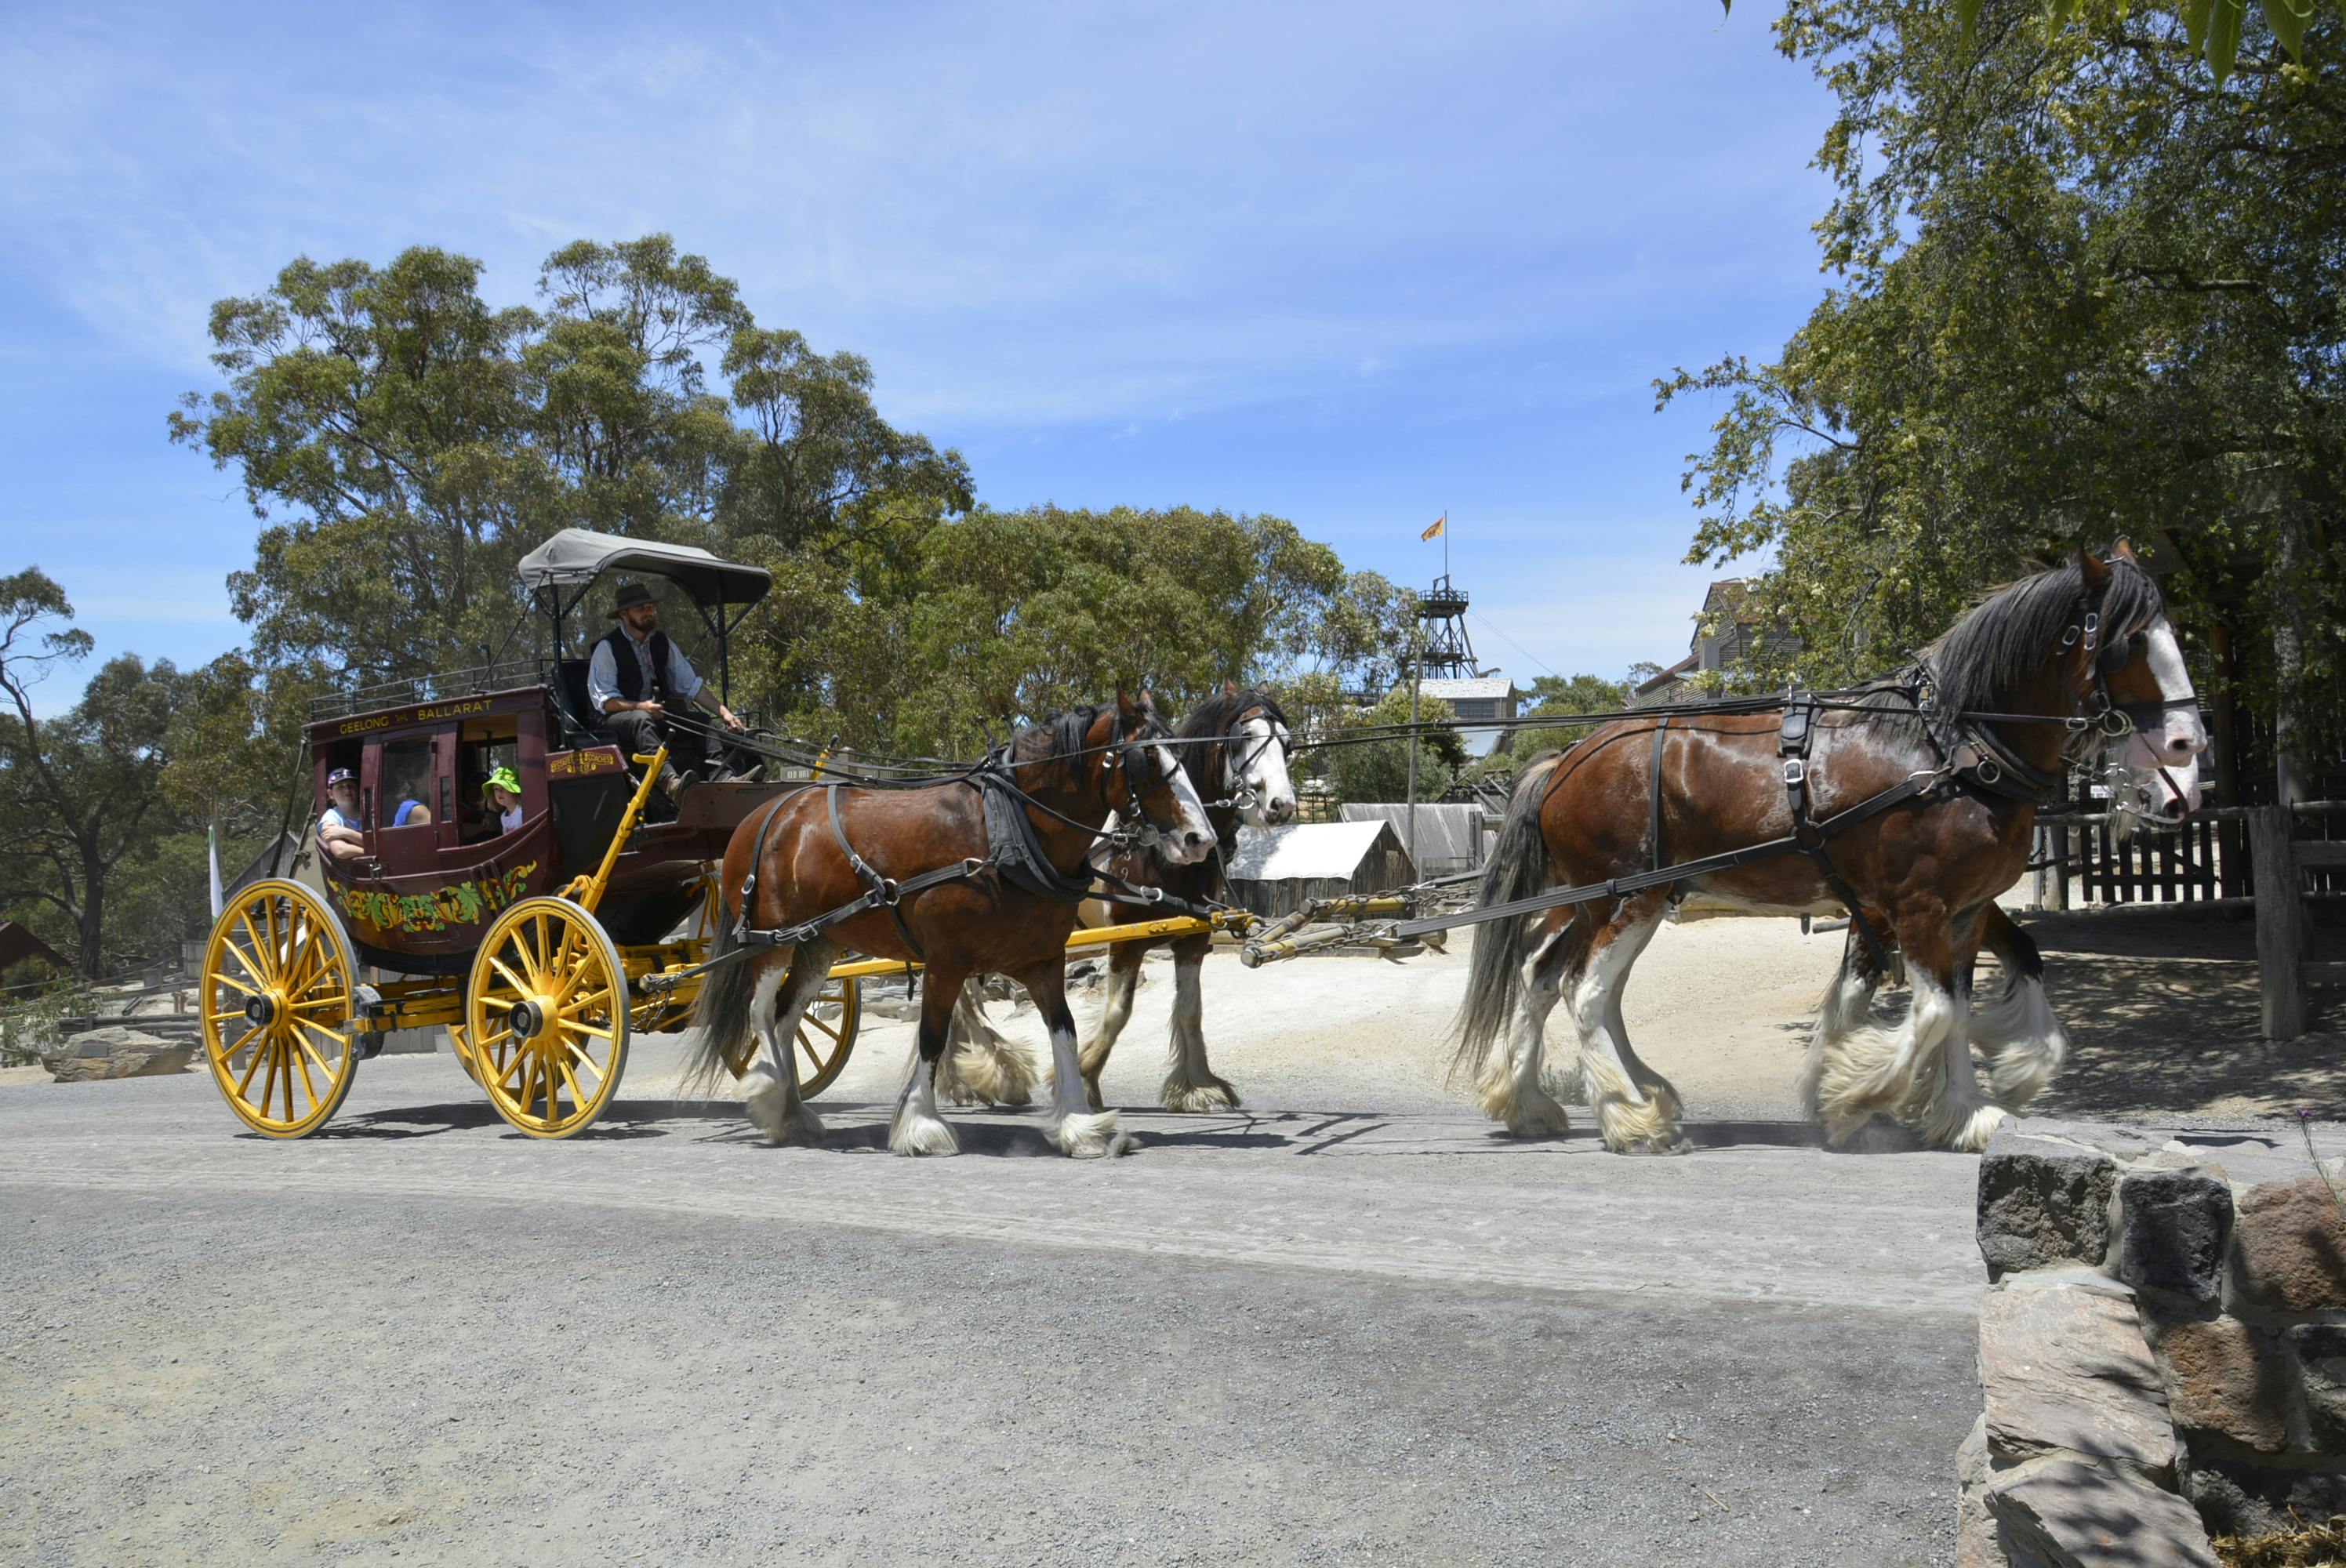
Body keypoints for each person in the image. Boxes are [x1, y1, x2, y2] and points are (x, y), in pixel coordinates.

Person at [585, 580, 745, 798]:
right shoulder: (608, 648)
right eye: (641, 608)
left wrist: (724, 712)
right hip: (612, 719)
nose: (648, 612)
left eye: (650, 607)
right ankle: (670, 783)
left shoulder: (662, 643)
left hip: (654, 714)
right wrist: (642, 706)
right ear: (624, 613)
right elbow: (606, 702)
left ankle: (723, 777)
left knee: (701, 720)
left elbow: (691, 686)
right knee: (641, 719)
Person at [318, 768, 365, 862]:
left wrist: (346, 833)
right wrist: (374, 853)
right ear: (330, 794)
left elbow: (382, 843)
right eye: (340, 787)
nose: (347, 791)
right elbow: (340, 851)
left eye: (351, 786)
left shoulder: (370, 812)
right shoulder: (331, 818)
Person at [483, 766, 525, 834]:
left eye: (504, 787)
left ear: (516, 791)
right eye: (496, 789)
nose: (499, 792)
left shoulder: (522, 811)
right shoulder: (503, 816)